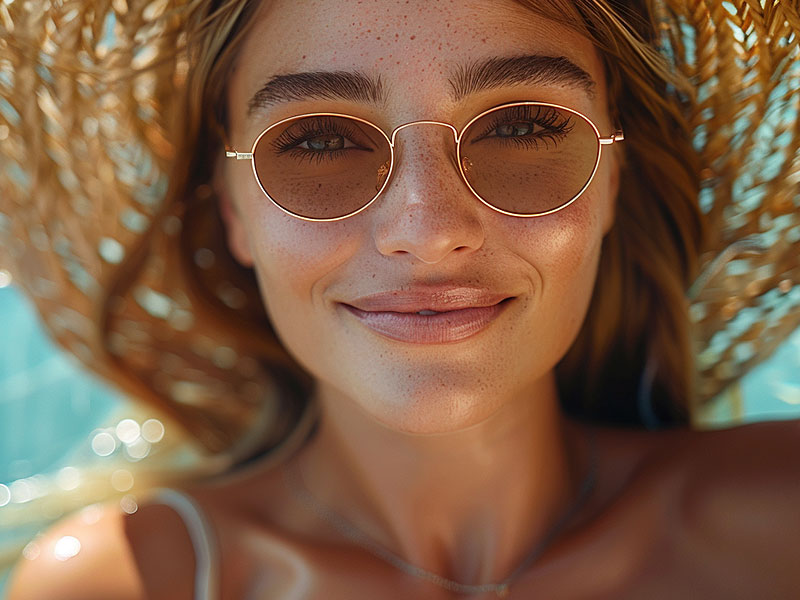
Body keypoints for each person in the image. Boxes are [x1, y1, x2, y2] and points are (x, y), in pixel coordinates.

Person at [3, 0, 799, 598]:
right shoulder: (131, 585)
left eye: (521, 126)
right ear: (232, 211)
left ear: (615, 175)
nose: (428, 228)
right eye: (318, 142)